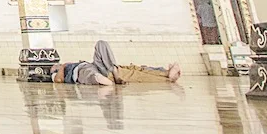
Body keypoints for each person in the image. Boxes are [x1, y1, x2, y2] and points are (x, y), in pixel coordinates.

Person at [52, 40, 181, 85]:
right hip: (88, 72)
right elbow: (58, 80)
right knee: (133, 75)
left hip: (99, 67)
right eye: (54, 66)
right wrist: (63, 67)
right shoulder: (61, 71)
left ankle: (165, 72)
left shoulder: (77, 64)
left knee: (101, 44)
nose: (55, 65)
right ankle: (168, 78)